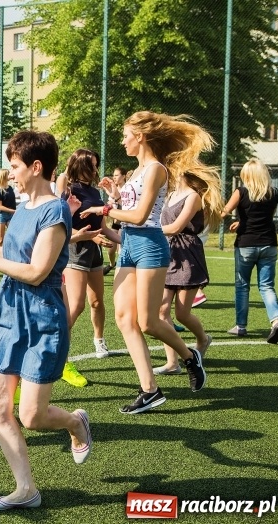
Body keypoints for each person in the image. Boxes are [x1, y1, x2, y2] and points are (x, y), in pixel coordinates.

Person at [0, 131, 91, 511]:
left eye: (15, 166)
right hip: (7, 316)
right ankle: (25, 489)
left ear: (36, 167)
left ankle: (74, 423)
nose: (11, 173)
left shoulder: (55, 211)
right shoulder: (25, 208)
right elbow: (16, 252)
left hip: (41, 320)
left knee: (31, 416)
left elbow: (36, 271)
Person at [81, 111, 208, 414]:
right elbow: (132, 210)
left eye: (126, 135)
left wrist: (106, 208)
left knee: (148, 322)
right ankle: (150, 390)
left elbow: (140, 217)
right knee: (125, 319)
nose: (123, 141)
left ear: (140, 136)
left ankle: (189, 357)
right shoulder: (137, 171)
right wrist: (115, 196)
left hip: (151, 246)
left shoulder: (155, 169)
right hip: (129, 247)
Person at [55, 149, 120, 389]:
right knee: (76, 306)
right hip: (75, 249)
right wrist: (89, 237)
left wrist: (127, 240)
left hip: (94, 252)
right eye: (91, 165)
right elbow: (60, 223)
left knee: (96, 302)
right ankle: (60, 357)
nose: (95, 169)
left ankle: (99, 340)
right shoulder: (68, 186)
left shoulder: (94, 191)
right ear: (79, 165)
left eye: (96, 164)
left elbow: (104, 226)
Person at [153, 170, 222, 374]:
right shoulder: (170, 193)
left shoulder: (193, 196)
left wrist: (148, 228)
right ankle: (172, 363)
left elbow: (175, 227)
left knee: (182, 314)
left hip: (188, 255)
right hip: (168, 253)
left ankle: (203, 339)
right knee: (161, 311)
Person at [222, 158, 278, 343]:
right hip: (269, 244)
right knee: (266, 286)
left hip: (246, 245)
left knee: (242, 286)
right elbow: (265, 217)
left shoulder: (241, 192)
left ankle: (241, 326)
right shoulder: (274, 193)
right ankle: (276, 321)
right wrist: (243, 222)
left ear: (246, 175)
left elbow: (224, 211)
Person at [103, 166, 128, 275]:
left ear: (124, 176)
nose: (114, 177)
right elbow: (110, 204)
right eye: (113, 175)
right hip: (115, 223)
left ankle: (121, 269)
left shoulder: (127, 189)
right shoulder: (113, 189)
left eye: (117, 175)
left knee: (121, 249)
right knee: (110, 249)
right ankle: (112, 264)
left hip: (125, 223)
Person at [0, 169, 17, 246]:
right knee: (0, 239)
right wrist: (13, 211)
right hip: (1, 215)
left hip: (11, 215)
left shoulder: (10, 188)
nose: (10, 175)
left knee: (13, 236)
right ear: (3, 176)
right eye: (8, 174)